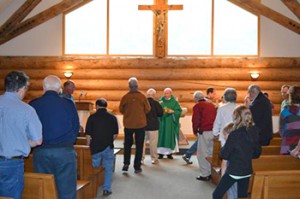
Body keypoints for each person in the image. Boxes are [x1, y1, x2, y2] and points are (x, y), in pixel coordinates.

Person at [29, 75, 80, 199]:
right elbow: (76, 126)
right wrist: (69, 141)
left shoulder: (34, 104)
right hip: (64, 151)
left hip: (41, 151)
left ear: (43, 88)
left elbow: (29, 128)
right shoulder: (68, 104)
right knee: (67, 190)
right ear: (59, 89)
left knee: (45, 190)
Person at [0, 71, 42, 199]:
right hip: (12, 163)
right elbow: (38, 141)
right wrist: (22, 141)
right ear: (22, 89)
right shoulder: (27, 110)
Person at [212, 105, 262, 199]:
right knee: (242, 196)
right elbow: (257, 153)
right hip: (247, 170)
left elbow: (224, 154)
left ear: (237, 117)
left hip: (234, 171)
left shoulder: (235, 134)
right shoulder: (254, 132)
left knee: (217, 194)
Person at [85, 98, 118, 196]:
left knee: (93, 169)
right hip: (108, 146)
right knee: (108, 168)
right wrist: (109, 141)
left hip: (95, 147)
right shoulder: (112, 118)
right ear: (106, 106)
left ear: (97, 106)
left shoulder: (92, 117)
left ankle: (93, 188)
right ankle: (106, 188)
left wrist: (88, 146)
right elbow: (115, 134)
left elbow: (88, 135)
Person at [119, 77, 150, 173]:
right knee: (139, 146)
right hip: (140, 124)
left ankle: (126, 163)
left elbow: (121, 109)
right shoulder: (142, 97)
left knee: (127, 145)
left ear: (129, 86)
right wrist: (140, 114)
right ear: (137, 86)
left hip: (128, 124)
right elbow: (148, 109)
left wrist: (128, 114)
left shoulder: (125, 97)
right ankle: (137, 166)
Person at [192, 91, 216, 181]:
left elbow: (196, 120)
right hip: (213, 131)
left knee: (202, 153)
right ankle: (211, 172)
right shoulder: (211, 104)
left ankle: (204, 174)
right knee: (210, 152)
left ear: (195, 99)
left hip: (204, 131)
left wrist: (195, 131)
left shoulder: (198, 106)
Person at [157, 88, 182, 159]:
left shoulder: (174, 102)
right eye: (165, 93)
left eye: (168, 93)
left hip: (170, 122)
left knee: (169, 136)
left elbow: (178, 111)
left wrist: (173, 112)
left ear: (171, 93)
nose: (167, 95)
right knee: (161, 136)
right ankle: (160, 153)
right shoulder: (160, 101)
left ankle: (169, 153)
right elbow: (156, 110)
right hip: (162, 122)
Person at [142, 88, 163, 164]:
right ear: (154, 95)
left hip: (143, 126)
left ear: (147, 95)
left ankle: (141, 159)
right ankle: (154, 159)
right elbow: (161, 114)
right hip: (153, 126)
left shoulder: (143, 103)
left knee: (142, 143)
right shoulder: (156, 103)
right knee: (153, 143)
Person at [279, 86, 300, 154]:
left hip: (287, 145)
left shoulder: (285, 111)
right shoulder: (285, 111)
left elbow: (281, 131)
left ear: (290, 96)